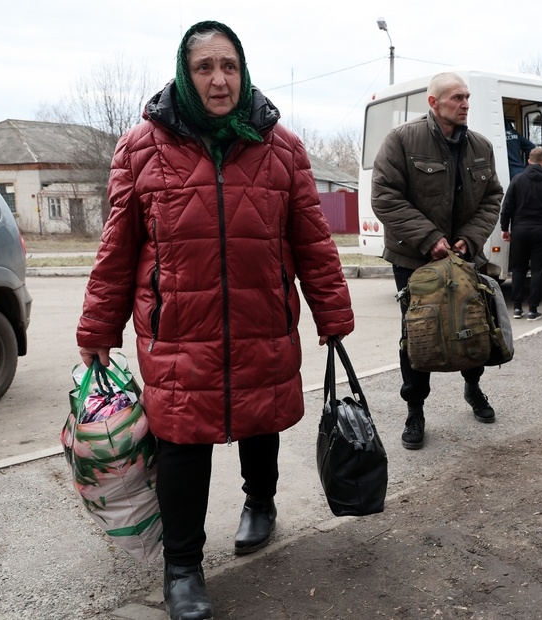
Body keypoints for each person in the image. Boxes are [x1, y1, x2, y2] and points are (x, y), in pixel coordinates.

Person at [75, 21, 354, 620]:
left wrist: (332, 311)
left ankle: (261, 503)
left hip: (262, 315)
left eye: (228, 65)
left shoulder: (282, 147)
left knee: (261, 421)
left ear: (243, 70)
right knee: (180, 444)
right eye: (204, 67)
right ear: (185, 72)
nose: (218, 79)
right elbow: (117, 248)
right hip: (179, 327)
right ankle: (183, 568)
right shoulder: (140, 148)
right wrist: (98, 326)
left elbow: (312, 239)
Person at [371, 71, 504, 450]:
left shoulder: (480, 146)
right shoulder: (402, 140)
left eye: (467, 98)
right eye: (456, 98)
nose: (465, 104)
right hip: (414, 259)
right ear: (434, 102)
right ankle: (415, 410)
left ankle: (473, 388)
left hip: (464, 258)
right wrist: (429, 239)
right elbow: (384, 196)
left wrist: (469, 239)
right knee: (419, 334)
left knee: (473, 324)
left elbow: (492, 197)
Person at [499, 147, 542, 321]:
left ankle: (516, 308)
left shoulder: (517, 180)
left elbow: (507, 206)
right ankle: (533, 310)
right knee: (538, 270)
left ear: (529, 161)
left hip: (520, 231)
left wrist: (504, 228)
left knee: (518, 269)